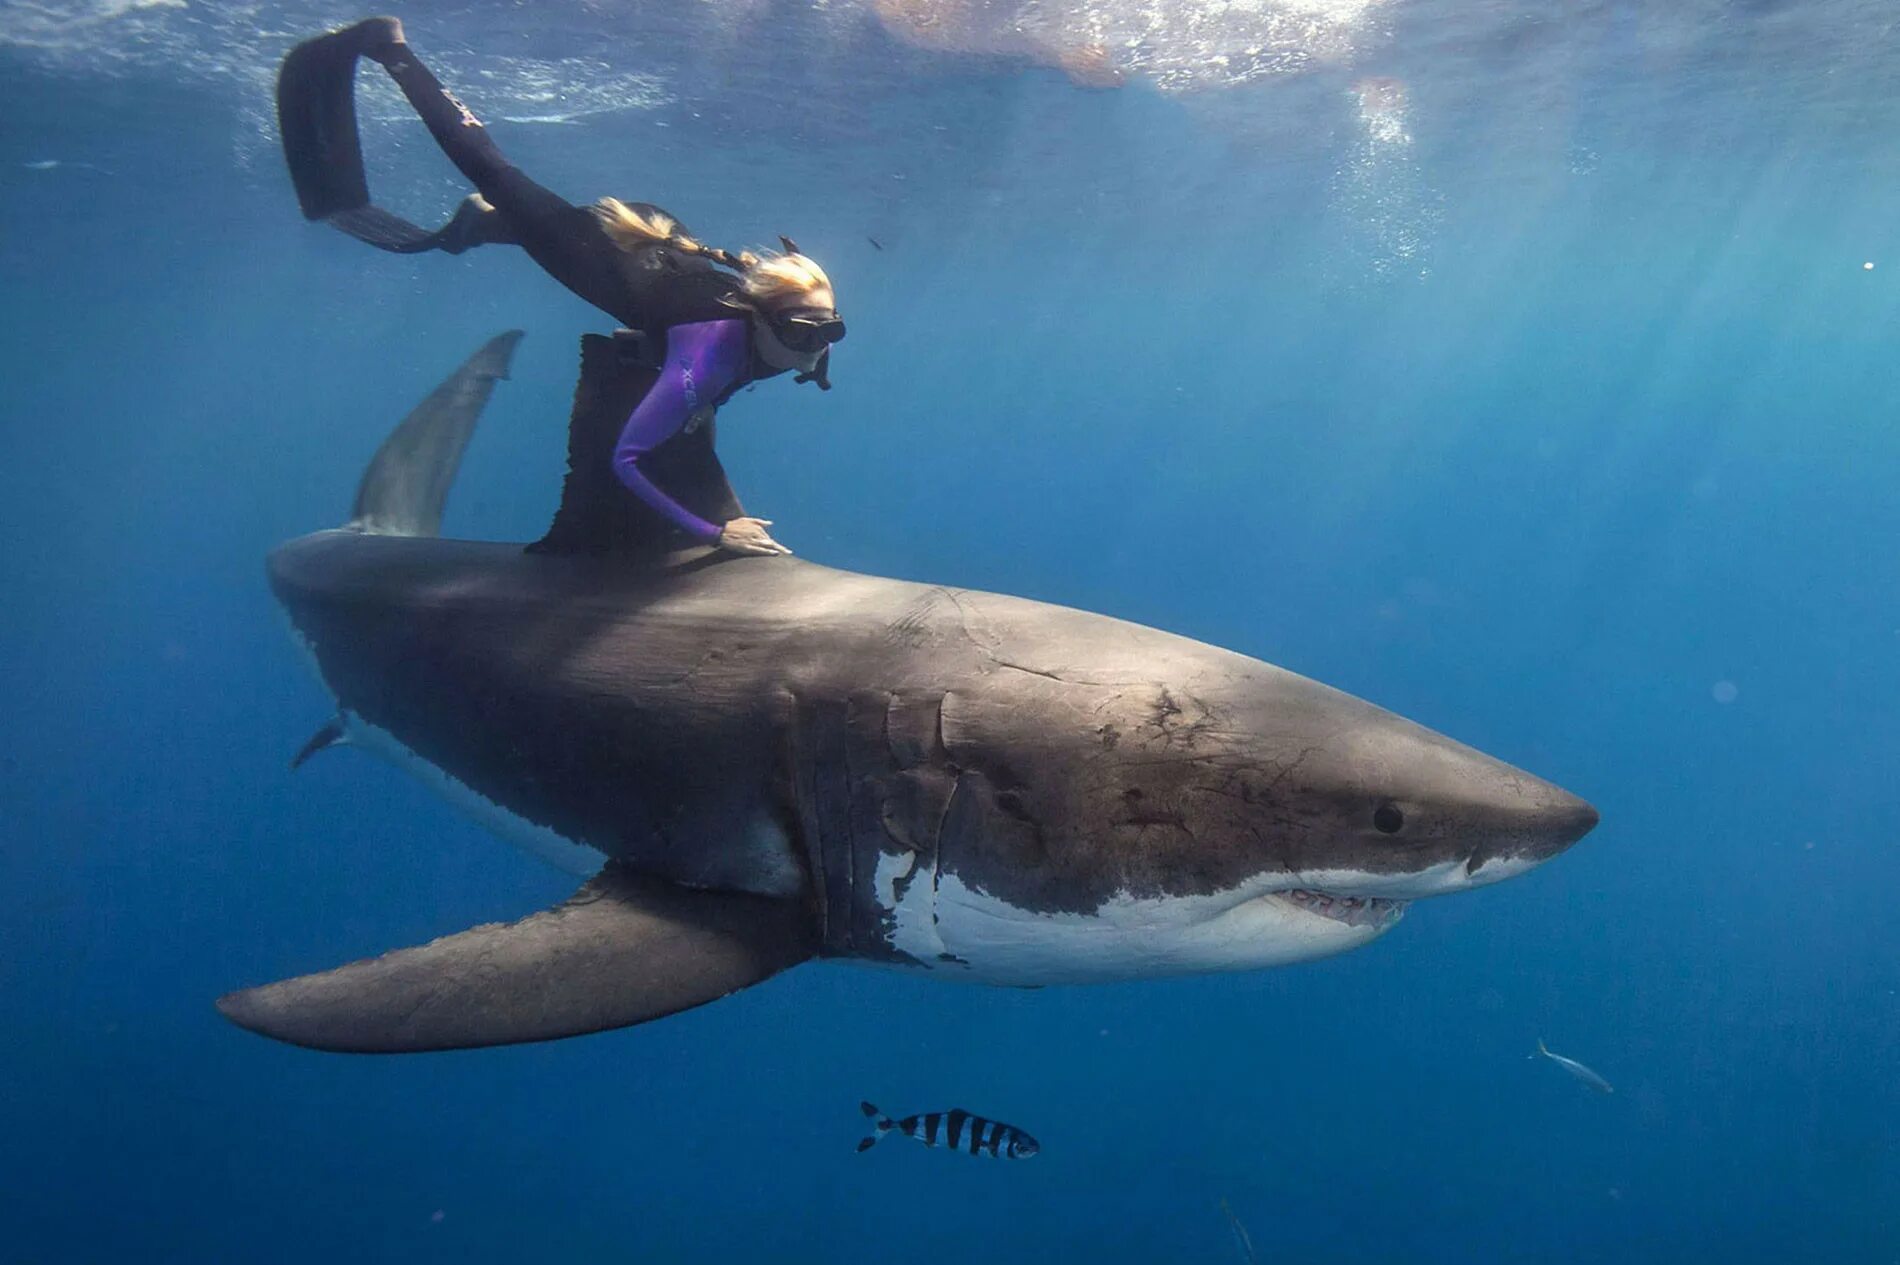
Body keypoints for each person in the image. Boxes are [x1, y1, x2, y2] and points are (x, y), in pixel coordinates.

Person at [276, 16, 846, 557]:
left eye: (829, 331)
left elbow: (802, 325)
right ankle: (391, 49)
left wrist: (811, 350)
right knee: (496, 173)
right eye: (803, 333)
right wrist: (714, 532)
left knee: (526, 222)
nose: (815, 342)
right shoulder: (706, 355)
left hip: (662, 241)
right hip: (601, 257)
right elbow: (627, 459)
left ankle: (486, 225)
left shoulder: (788, 323)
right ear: (767, 320)